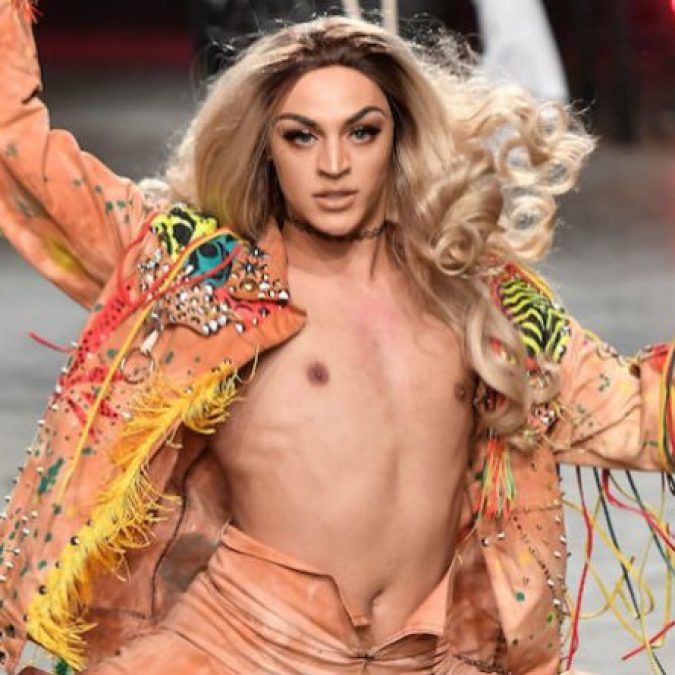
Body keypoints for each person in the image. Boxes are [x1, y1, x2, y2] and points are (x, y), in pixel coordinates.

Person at [0, 1, 672, 674]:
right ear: (266, 148)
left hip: (426, 660)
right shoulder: (205, 275)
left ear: (398, 136)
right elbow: (18, 151)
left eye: (361, 132)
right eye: (301, 136)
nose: (332, 164)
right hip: (235, 652)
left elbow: (641, 416)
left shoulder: (479, 298)